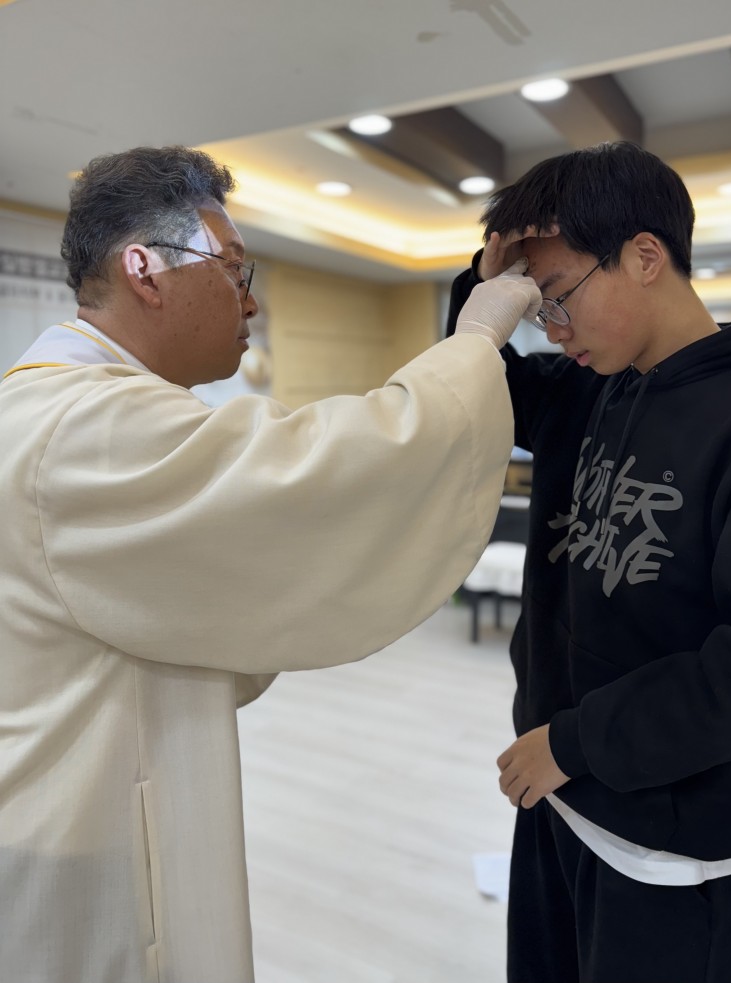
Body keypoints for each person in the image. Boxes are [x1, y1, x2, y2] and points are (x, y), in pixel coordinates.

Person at [0, 145, 541, 983]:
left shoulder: (38, 402)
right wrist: (477, 338)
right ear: (143, 268)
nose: (251, 303)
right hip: (86, 841)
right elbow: (322, 472)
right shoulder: (83, 429)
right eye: (235, 270)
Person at [446, 140, 731, 983]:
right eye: (540, 312)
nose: (553, 328)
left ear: (645, 256)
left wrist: (575, 742)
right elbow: (473, 380)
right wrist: (482, 283)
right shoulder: (591, 389)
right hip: (558, 791)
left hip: (666, 841)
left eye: (560, 296)